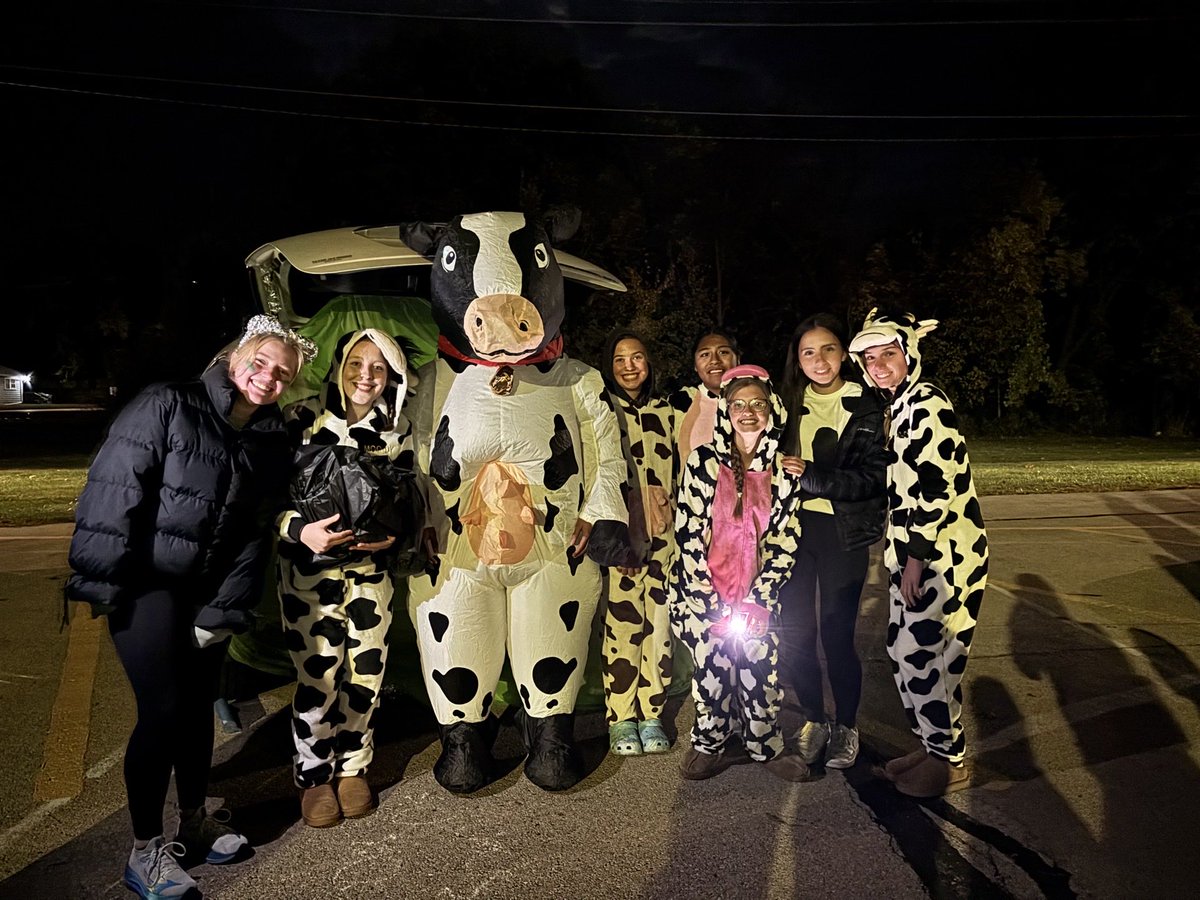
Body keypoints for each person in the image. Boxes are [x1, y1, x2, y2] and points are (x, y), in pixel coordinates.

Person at [65, 315, 312, 900]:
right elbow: (114, 486)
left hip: (207, 591)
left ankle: (195, 823)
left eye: (281, 374)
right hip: (145, 582)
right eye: (260, 363)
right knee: (165, 707)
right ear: (236, 356)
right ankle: (144, 851)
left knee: (198, 705)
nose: (267, 378)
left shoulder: (269, 437)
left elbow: (254, 533)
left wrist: (224, 609)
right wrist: (102, 579)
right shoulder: (168, 404)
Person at [275, 328, 420, 828]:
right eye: (357, 364)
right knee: (318, 678)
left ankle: (354, 767)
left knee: (364, 676)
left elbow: (408, 501)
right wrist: (297, 530)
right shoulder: (299, 422)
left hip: (369, 579)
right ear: (339, 366)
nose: (366, 376)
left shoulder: (397, 433)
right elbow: (261, 499)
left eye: (379, 368)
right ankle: (314, 776)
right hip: (308, 580)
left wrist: (394, 537)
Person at [848, 308, 988, 798]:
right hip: (915, 553)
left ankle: (950, 761)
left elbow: (936, 487)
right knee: (904, 653)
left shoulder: (926, 403)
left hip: (943, 557)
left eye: (889, 354)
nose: (880, 364)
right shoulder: (901, 405)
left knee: (926, 657)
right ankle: (931, 747)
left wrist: (915, 560)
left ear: (909, 354)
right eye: (870, 357)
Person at [672, 364, 808, 781]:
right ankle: (709, 742)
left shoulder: (785, 472)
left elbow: (786, 539)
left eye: (757, 404)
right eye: (738, 405)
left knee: (760, 672)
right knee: (711, 674)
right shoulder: (703, 463)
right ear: (726, 411)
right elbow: (688, 532)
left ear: (772, 409)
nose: (748, 412)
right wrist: (706, 600)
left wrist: (759, 597)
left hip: (755, 598)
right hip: (704, 596)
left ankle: (765, 745)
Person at [776, 314, 888, 770]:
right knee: (796, 633)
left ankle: (846, 725)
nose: (819, 360)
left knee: (837, 635)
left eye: (828, 350)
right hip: (793, 533)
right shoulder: (785, 404)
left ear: (844, 354)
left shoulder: (867, 406)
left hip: (843, 533)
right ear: (797, 360)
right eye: (808, 352)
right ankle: (813, 720)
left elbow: (874, 478)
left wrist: (815, 477)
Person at [600, 330, 678, 756]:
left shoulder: (668, 411)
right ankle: (620, 718)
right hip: (623, 544)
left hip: (666, 543)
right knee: (623, 628)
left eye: (638, 357)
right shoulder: (604, 410)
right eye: (620, 359)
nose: (630, 366)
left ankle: (652, 713)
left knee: (659, 630)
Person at [669, 329, 741, 466]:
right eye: (705, 354)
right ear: (695, 365)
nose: (714, 360)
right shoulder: (679, 403)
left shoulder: (759, 401)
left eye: (723, 352)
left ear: (737, 359)